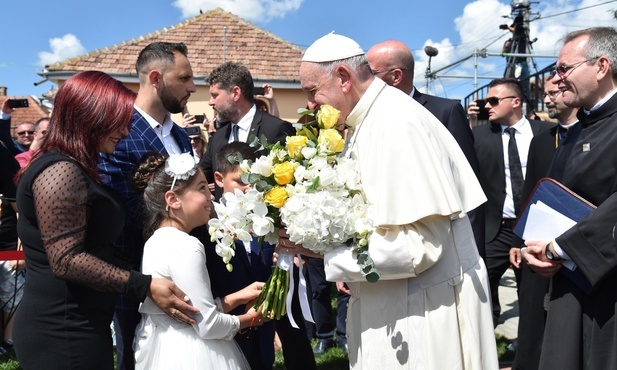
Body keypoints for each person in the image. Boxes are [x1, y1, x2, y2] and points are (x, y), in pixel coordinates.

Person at [286, 32, 498, 369]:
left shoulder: (397, 122)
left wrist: (327, 254)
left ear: (343, 77)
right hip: (393, 304)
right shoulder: (364, 122)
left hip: (423, 313)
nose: (310, 104)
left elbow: (420, 247)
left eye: (313, 92)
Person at [11, 71, 198, 370]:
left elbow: (96, 248)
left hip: (83, 323)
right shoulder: (60, 171)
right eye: (119, 121)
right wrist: (143, 284)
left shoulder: (76, 166)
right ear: (91, 116)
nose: (125, 132)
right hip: (61, 331)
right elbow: (67, 260)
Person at [522, 26, 617, 370]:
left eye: (565, 68)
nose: (558, 79)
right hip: (567, 281)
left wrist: (559, 248)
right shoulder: (579, 130)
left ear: (602, 66)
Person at [98, 41, 195, 370]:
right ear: (156, 77)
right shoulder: (119, 134)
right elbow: (121, 209)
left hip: (186, 271)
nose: (192, 87)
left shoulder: (181, 135)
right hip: (138, 275)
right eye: (184, 78)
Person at [132, 152, 267, 369]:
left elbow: (192, 310)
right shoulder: (187, 245)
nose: (211, 196)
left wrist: (239, 297)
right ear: (173, 199)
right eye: (202, 188)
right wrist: (251, 318)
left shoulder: (155, 241)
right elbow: (208, 325)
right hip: (193, 354)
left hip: (166, 350)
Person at [366, 39, 485, 259]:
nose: (365, 81)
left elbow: (467, 189)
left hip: (441, 248)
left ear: (396, 76)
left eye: (371, 73)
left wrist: (474, 256)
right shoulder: (367, 120)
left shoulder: (445, 112)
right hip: (388, 252)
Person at [507, 77, 579, 369]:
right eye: (546, 94)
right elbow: (530, 192)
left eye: (554, 93)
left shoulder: (594, 135)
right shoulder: (542, 139)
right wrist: (517, 240)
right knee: (533, 317)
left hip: (575, 246)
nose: (548, 99)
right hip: (536, 244)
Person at [470, 78, 551, 324]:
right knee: (478, 289)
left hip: (533, 229)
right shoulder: (479, 135)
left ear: (516, 102)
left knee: (533, 294)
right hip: (496, 230)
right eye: (485, 102)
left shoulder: (546, 134)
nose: (488, 106)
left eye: (493, 101)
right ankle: (484, 344)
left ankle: (529, 347)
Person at [203, 141, 282, 370]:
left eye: (254, 181)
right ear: (219, 179)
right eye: (239, 181)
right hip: (226, 330)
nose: (248, 188)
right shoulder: (208, 223)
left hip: (262, 326)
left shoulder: (266, 220)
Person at [199, 61, 295, 200]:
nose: (210, 102)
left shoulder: (275, 129)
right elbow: (200, 174)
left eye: (215, 95)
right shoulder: (218, 137)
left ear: (236, 93)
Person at [0, 139, 22, 354]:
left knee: (10, 293)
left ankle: (8, 342)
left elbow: (20, 209)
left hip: (7, 244)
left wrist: (21, 250)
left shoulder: (2, 156)